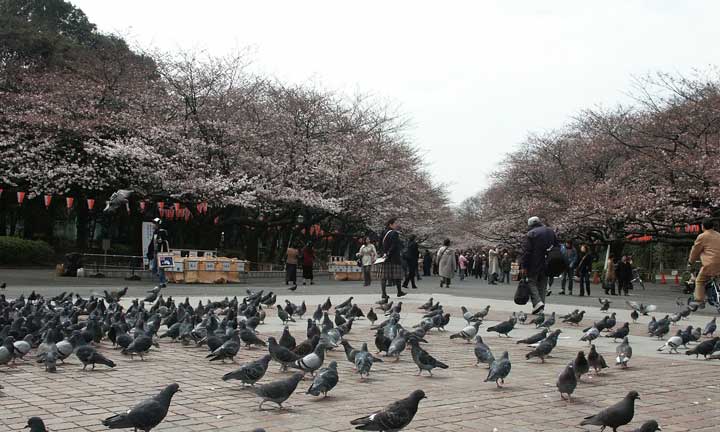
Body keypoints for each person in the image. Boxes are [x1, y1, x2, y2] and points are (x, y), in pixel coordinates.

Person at [520, 216, 558, 315]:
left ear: (530, 225)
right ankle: (540, 308)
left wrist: (524, 266)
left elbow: (527, 252)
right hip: (548, 263)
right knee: (542, 285)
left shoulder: (531, 234)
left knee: (531, 282)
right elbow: (557, 247)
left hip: (534, 263)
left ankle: (537, 303)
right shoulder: (550, 231)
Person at [688, 218, 720, 305]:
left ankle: (699, 300)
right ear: (713, 227)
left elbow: (695, 251)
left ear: (702, 227)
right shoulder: (719, 235)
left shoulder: (702, 236)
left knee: (700, 281)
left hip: (710, 264)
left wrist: (690, 262)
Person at [377, 218, 407, 299]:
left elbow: (379, 244)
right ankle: (399, 292)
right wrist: (388, 253)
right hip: (394, 258)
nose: (396, 225)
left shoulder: (383, 232)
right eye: (395, 224)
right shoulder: (394, 233)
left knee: (384, 276)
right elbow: (394, 245)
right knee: (397, 275)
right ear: (390, 224)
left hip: (384, 258)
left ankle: (383, 293)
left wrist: (383, 253)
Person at [146, 217, 169, 287]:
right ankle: (164, 279)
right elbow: (153, 242)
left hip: (161, 252)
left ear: (158, 224)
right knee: (154, 268)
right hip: (156, 252)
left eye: (155, 224)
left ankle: (162, 282)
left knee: (161, 268)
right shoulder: (155, 232)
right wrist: (149, 250)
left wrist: (161, 240)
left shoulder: (163, 232)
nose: (153, 225)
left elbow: (164, 241)